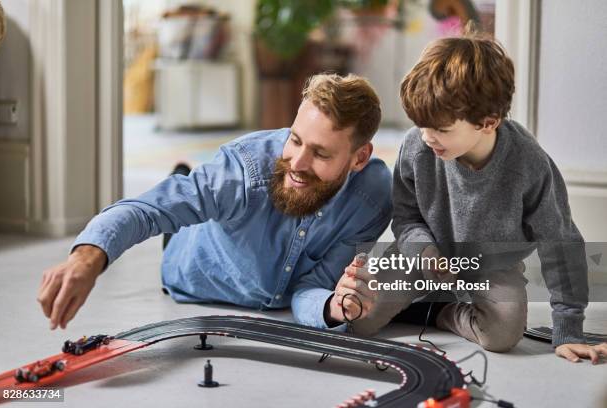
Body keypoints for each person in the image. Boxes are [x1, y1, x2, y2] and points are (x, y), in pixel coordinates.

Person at [37, 73, 393, 332]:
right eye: (295, 140)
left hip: (272, 289)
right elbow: (148, 209)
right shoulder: (244, 171)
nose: (297, 163)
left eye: (320, 153)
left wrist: (334, 308)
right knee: (181, 205)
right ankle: (186, 181)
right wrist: (86, 257)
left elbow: (311, 289)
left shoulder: (372, 198)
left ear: (359, 158)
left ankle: (186, 177)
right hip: (191, 270)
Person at [343, 30, 607, 363]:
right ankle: (424, 293)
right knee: (360, 319)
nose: (426, 138)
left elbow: (560, 244)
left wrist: (568, 330)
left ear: (488, 123)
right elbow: (406, 217)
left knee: (502, 334)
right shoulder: (417, 145)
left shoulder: (529, 164)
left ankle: (440, 311)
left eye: (440, 129)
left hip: (490, 264)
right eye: (421, 125)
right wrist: (424, 251)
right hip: (425, 254)